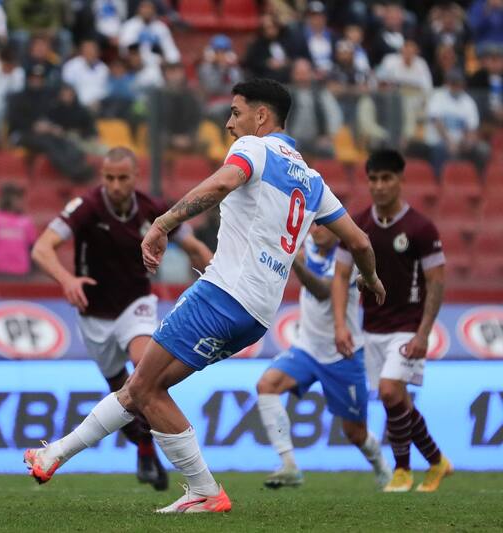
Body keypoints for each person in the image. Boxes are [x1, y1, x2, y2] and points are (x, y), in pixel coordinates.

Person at [24, 79, 386, 513]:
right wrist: (372, 280)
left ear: (261, 116)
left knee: (145, 389)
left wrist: (162, 223)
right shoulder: (312, 179)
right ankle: (53, 456)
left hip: (221, 294)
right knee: (143, 387)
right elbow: (362, 243)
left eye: (235, 112)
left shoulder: (256, 148)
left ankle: (204, 491)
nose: (229, 123)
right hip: (256, 315)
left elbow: (219, 185)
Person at [30, 146, 213, 492]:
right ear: (103, 178)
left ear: (135, 177)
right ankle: (145, 450)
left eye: (122, 178)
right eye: (109, 178)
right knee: (124, 393)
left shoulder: (152, 209)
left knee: (143, 368)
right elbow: (42, 248)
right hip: (94, 315)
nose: (115, 185)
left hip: (136, 304)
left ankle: (179, 467)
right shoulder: (86, 208)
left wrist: (219, 275)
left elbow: (194, 248)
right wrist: (66, 280)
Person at [333, 149, 451, 493]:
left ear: (401, 180)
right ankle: (438, 462)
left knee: (388, 392)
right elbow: (340, 276)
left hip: (407, 327)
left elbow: (437, 281)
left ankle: (402, 470)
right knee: (399, 400)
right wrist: (341, 324)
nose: (379, 186)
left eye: (386, 179)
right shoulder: (358, 226)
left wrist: (424, 333)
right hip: (371, 329)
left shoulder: (421, 228)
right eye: (373, 179)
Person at [255, 224, 392, 489]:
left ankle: (381, 467)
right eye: (314, 222)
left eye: (323, 224)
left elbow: (323, 291)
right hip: (306, 348)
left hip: (343, 354)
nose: (316, 228)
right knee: (266, 386)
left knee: (355, 433)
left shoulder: (347, 257)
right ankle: (289, 465)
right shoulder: (306, 244)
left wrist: (295, 263)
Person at [423, 69, 489, 174]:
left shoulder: (468, 101)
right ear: (448, 83)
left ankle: (478, 182)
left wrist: (467, 141)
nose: (456, 86)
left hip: (460, 143)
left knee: (482, 149)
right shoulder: (438, 96)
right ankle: (439, 181)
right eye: (453, 83)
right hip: (439, 141)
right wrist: (449, 141)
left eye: (458, 83)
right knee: (441, 149)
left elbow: (472, 128)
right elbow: (437, 122)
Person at [0, 183, 36, 277]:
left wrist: (32, 268)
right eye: (16, 198)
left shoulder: (26, 221)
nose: (19, 202)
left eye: (20, 198)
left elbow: (32, 246)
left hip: (20, 269)